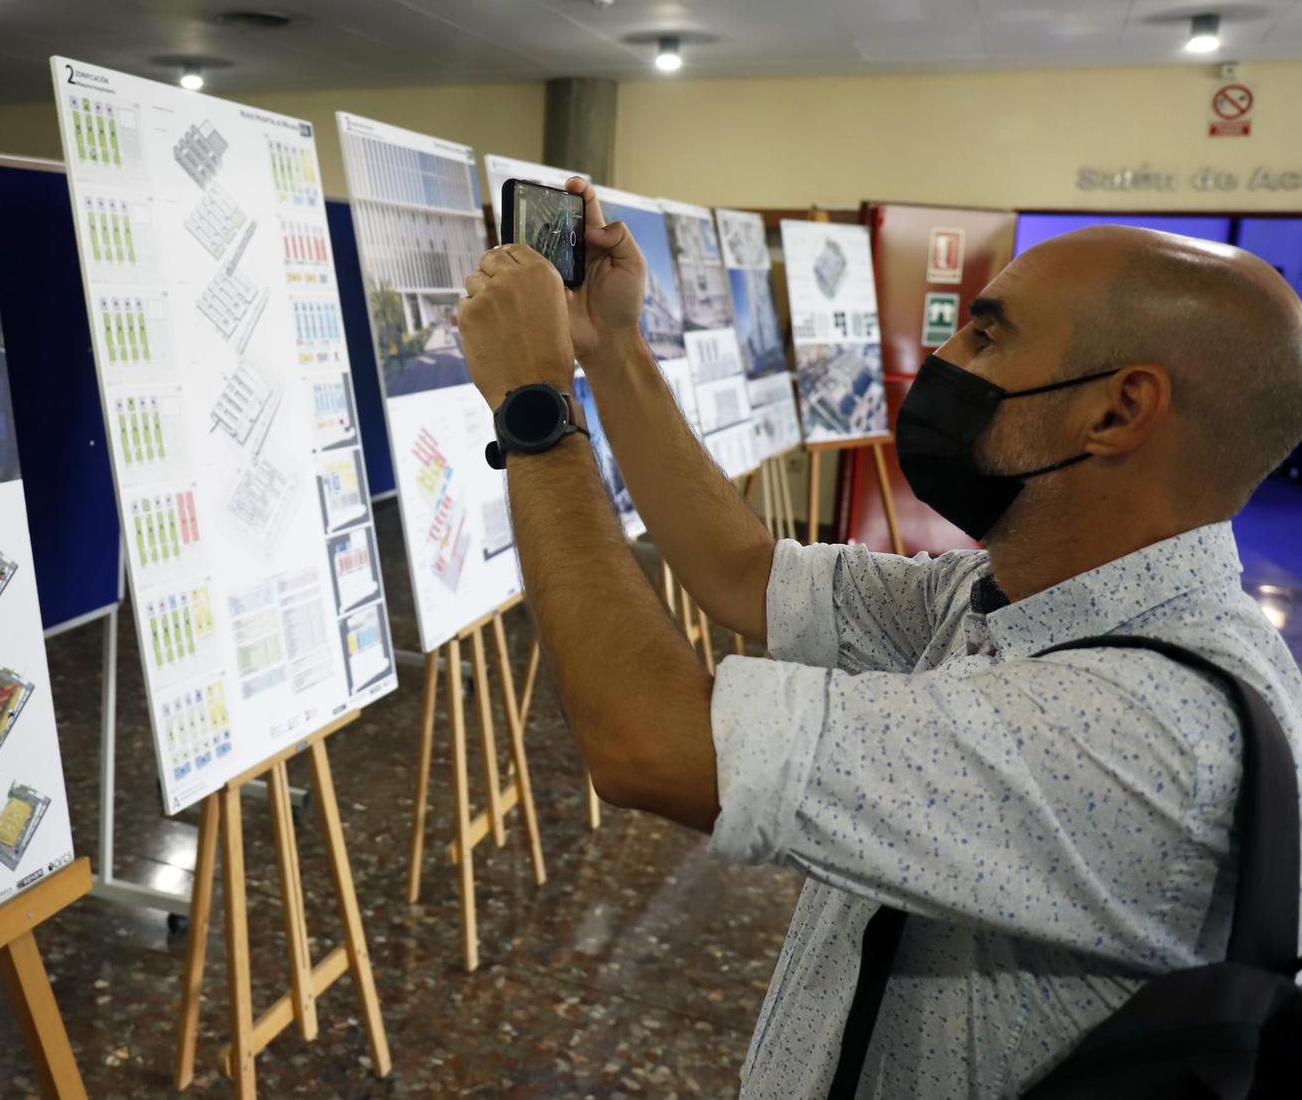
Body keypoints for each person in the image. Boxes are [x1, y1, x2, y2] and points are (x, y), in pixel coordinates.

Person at [456, 178, 1302, 1099]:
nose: (944, 355)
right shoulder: (1011, 594)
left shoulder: (1146, 728)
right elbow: (742, 569)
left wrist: (536, 410)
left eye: (987, 334)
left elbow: (647, 743)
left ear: (1116, 410)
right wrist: (609, 346)